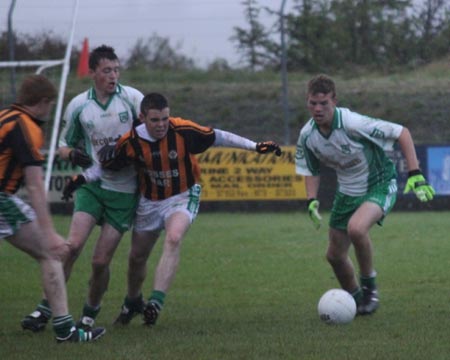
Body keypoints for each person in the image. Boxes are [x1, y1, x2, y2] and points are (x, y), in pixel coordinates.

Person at [93, 92, 282, 326]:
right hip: (149, 201)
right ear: (142, 118)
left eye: (164, 118)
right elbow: (105, 165)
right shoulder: (130, 142)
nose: (161, 125)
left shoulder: (182, 130)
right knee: (136, 257)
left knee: (173, 238)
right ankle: (132, 301)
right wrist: (86, 173)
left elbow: (219, 136)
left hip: (182, 195)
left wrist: (255, 147)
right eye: (155, 120)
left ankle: (155, 303)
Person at [21, 45, 144, 332]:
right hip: (92, 186)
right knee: (71, 247)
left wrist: (132, 153)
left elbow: (152, 134)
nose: (113, 76)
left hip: (123, 192)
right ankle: (44, 309)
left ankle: (89, 314)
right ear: (92, 73)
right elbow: (63, 146)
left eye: (116, 69)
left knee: (100, 262)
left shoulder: (132, 99)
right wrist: (74, 155)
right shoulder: (79, 105)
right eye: (106, 71)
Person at [295, 74, 435, 315]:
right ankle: (356, 300)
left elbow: (402, 132)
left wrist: (415, 173)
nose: (317, 109)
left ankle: (370, 288)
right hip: (347, 192)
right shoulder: (308, 135)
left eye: (323, 103)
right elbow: (311, 169)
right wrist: (311, 199)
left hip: (379, 184)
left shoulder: (352, 123)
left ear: (334, 101)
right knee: (334, 255)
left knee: (357, 228)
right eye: (312, 103)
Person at [0, 74, 105, 342]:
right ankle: (65, 329)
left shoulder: (4, 117)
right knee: (51, 254)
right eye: (50, 103)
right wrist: (48, 233)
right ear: (44, 102)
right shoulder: (26, 127)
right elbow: (35, 186)